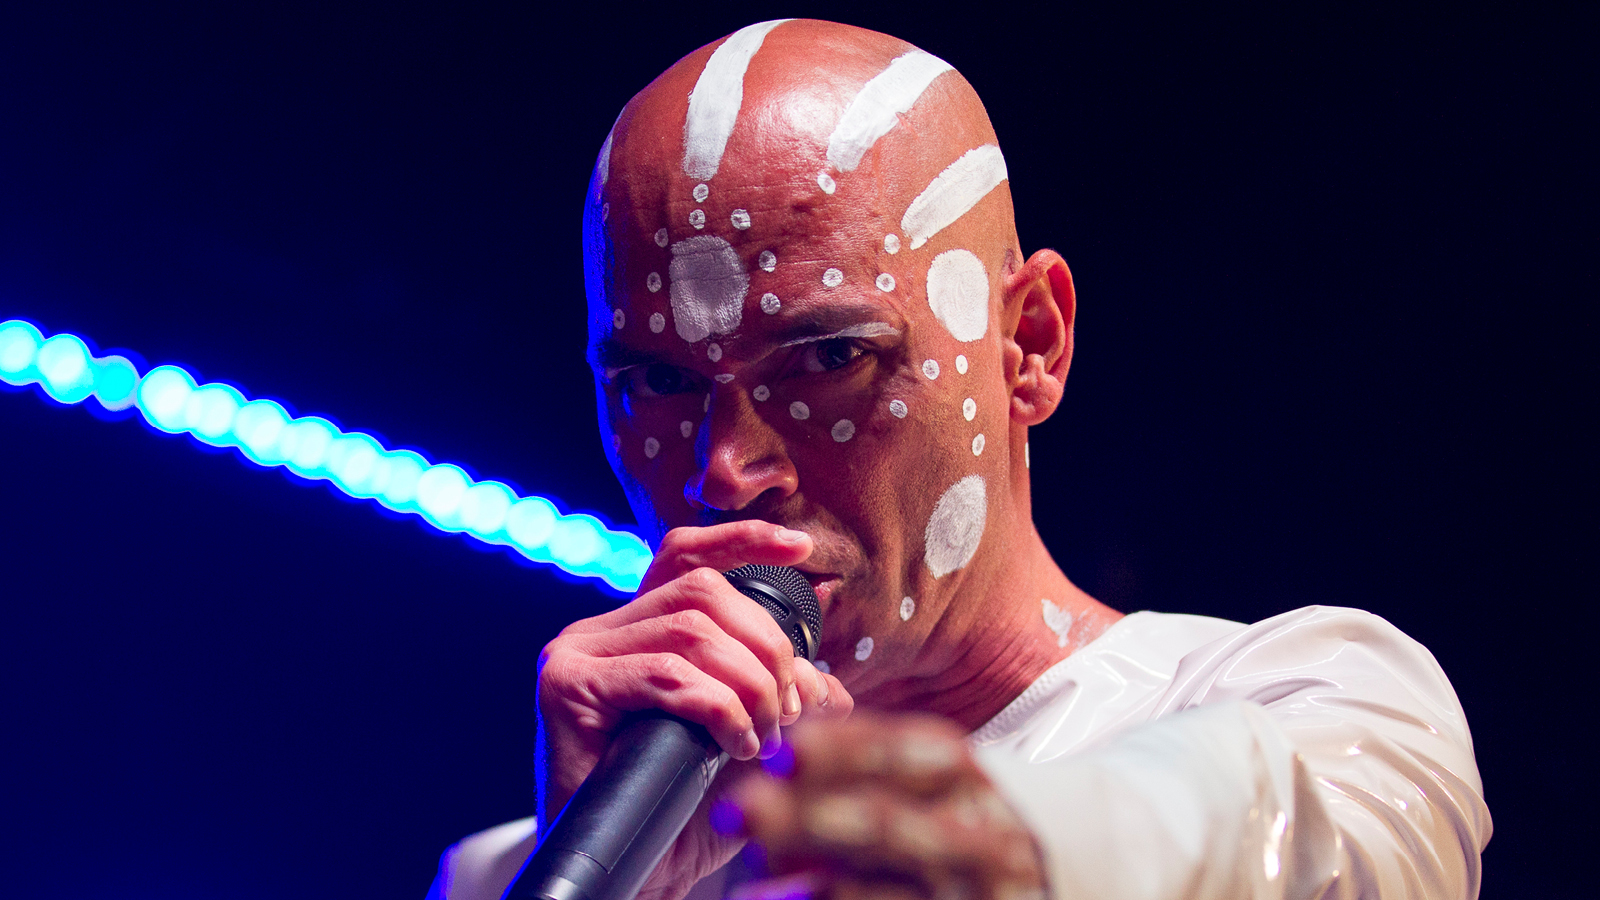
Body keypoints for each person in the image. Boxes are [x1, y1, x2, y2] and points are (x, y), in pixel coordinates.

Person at [428, 19, 1490, 900]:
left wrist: (1000, 840)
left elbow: (1318, 846)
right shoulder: (512, 877)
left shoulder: (1315, 703)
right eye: (658, 383)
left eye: (829, 356)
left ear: (1028, 345)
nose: (725, 469)